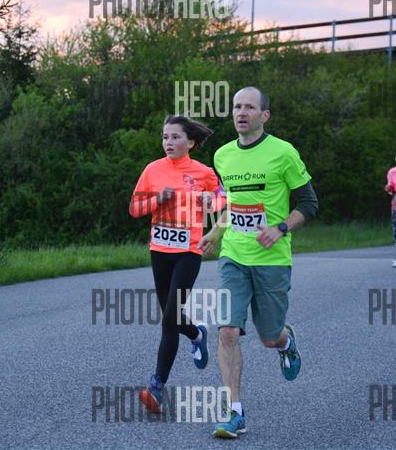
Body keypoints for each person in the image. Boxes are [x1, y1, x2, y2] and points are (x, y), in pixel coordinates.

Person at [198, 86, 318, 438]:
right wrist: (216, 232)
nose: (241, 112)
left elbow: (309, 204)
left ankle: (285, 341)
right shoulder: (223, 155)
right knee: (227, 330)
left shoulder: (283, 152)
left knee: (268, 337)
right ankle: (235, 412)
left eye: (249, 107)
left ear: (264, 115)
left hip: (272, 259)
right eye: (237, 106)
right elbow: (233, 203)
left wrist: (280, 229)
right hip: (233, 255)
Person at [129, 114, 224, 414]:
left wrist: (211, 202)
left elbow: (223, 198)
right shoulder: (152, 170)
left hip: (189, 252)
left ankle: (156, 387)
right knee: (171, 315)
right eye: (165, 137)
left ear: (190, 142)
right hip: (159, 250)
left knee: (169, 318)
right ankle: (197, 334)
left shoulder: (203, 172)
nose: (168, 142)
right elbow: (134, 208)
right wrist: (157, 200)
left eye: (175, 137)